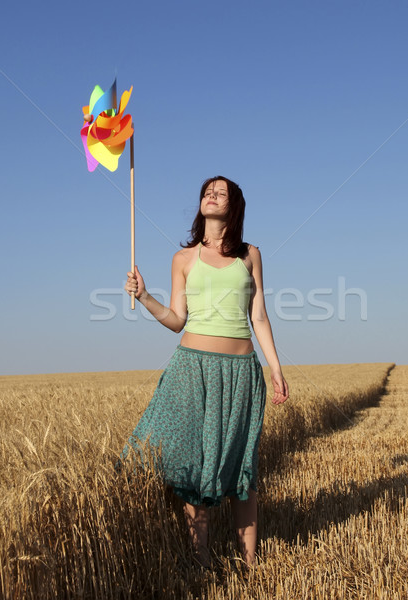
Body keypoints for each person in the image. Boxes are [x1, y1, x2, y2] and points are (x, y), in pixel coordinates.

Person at [120, 175, 289, 568]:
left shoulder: (250, 254)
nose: (211, 195)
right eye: (207, 191)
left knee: (242, 466)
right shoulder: (183, 259)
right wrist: (144, 296)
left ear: (234, 206)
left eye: (221, 192)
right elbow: (177, 319)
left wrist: (275, 368)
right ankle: (201, 563)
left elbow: (259, 316)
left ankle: (251, 565)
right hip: (191, 369)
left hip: (242, 372)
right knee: (198, 468)